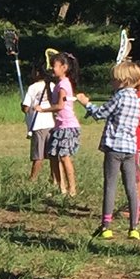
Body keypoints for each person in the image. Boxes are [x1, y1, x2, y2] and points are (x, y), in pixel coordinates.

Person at [87, 60, 140, 241]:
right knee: (131, 187)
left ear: (123, 80)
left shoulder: (119, 97)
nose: (111, 82)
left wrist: (86, 104)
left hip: (114, 147)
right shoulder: (136, 99)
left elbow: (100, 113)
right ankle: (134, 227)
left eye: (114, 80)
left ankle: (106, 226)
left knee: (110, 185)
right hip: (130, 148)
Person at [44, 51, 83, 199]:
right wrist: (48, 84)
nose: (52, 69)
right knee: (53, 155)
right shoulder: (57, 84)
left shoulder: (64, 84)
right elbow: (52, 99)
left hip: (67, 126)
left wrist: (43, 110)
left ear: (64, 67)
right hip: (59, 126)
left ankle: (72, 189)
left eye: (54, 66)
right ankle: (61, 187)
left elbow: (59, 105)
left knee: (64, 157)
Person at [22, 65, 52, 181]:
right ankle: (54, 178)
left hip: (38, 124)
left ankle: (32, 179)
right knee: (52, 155)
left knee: (38, 155)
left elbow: (26, 108)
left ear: (38, 73)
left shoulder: (33, 87)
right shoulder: (52, 86)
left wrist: (22, 106)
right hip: (51, 123)